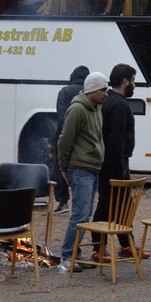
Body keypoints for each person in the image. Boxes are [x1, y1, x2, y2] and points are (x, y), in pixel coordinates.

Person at [91, 63, 146, 259]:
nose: (134, 85)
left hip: (107, 161)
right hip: (115, 163)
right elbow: (116, 140)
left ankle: (125, 245)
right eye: (132, 80)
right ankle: (98, 248)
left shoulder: (107, 101)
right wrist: (120, 169)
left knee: (120, 205)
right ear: (124, 81)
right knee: (109, 204)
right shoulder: (121, 105)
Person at [56, 71, 109, 273]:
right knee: (79, 214)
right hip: (80, 168)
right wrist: (63, 166)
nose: (106, 93)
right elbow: (65, 139)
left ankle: (75, 254)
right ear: (93, 90)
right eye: (103, 89)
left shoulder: (97, 108)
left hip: (92, 167)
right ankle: (67, 257)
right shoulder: (78, 109)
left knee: (85, 215)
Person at [52, 65, 90, 214]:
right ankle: (79, 204)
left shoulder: (65, 91)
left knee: (59, 168)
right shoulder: (89, 93)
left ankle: (63, 203)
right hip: (84, 140)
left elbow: (61, 117)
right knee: (80, 170)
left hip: (64, 137)